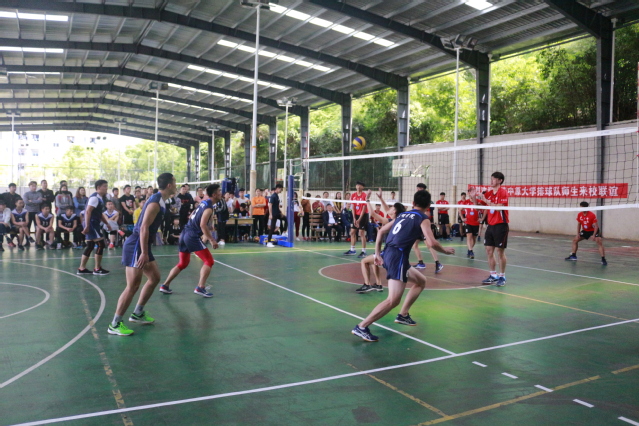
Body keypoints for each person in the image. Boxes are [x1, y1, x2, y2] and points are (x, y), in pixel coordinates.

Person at [352, 190, 455, 342]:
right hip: (397, 257)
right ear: (428, 206)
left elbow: (381, 231)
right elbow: (432, 242)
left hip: (390, 253)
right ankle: (362, 326)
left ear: (413, 203)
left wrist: (378, 254)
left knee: (421, 281)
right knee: (393, 300)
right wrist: (445, 251)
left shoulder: (402, 215)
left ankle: (403, 314)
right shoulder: (423, 218)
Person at [109, 173, 177, 336]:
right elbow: (144, 227)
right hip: (136, 245)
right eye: (174, 182)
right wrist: (144, 252)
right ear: (169, 185)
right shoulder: (155, 202)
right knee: (133, 286)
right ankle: (115, 324)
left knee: (154, 278)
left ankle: (138, 313)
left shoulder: (161, 200)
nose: (176, 185)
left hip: (142, 245)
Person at [160, 183, 222, 297]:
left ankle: (165, 285)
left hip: (185, 233)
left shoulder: (203, 203)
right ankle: (200, 287)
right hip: (192, 236)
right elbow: (203, 225)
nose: (221, 193)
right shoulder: (208, 208)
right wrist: (212, 240)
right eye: (219, 191)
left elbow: (192, 214)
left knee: (183, 263)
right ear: (214, 194)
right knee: (209, 261)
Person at [356, 191, 407, 294]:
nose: (389, 209)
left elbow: (373, 214)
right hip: (395, 252)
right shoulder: (398, 220)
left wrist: (367, 200)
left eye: (392, 208)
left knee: (364, 261)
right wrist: (381, 198)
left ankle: (367, 284)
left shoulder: (391, 222)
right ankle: (379, 285)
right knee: (374, 261)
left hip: (390, 253)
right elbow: (388, 210)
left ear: (395, 211)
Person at [471, 171, 509, 287]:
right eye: (491, 178)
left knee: (500, 251)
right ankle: (493, 275)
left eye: (494, 179)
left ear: (500, 181)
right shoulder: (489, 193)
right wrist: (473, 197)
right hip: (490, 225)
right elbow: (478, 206)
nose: (491, 181)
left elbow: (498, 208)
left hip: (501, 225)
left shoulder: (503, 192)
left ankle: (502, 276)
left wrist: (485, 199)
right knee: (489, 251)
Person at [77, 180, 112, 276]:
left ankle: (82, 268)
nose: (106, 188)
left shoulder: (100, 198)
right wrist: (87, 226)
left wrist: (107, 223)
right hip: (92, 224)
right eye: (105, 186)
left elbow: (99, 213)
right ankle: (97, 268)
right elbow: (88, 211)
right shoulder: (95, 198)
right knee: (101, 244)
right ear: (99, 187)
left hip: (93, 223)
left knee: (90, 245)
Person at [412, 183, 443, 273]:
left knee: (429, 244)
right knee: (415, 245)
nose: (417, 189)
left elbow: (427, 214)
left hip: (422, 225)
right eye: (417, 188)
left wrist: (423, 221)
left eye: (419, 188)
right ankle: (421, 263)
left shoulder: (425, 200)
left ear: (422, 189)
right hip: (418, 225)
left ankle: (438, 263)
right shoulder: (417, 199)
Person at [344, 181, 369, 258]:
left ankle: (364, 251)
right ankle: (352, 250)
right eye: (357, 185)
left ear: (363, 187)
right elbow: (353, 207)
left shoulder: (364, 195)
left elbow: (364, 208)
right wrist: (354, 218)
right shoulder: (353, 195)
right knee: (352, 232)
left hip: (363, 215)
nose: (358, 186)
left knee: (361, 233)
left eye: (360, 185)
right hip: (355, 215)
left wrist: (359, 219)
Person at [462, 188, 481, 259]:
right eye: (470, 192)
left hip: (476, 223)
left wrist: (482, 218)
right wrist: (462, 218)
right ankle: (471, 251)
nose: (471, 193)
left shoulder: (479, 201)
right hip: (468, 222)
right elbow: (459, 209)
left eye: (472, 192)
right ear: (468, 193)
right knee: (469, 236)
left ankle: (470, 249)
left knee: (474, 238)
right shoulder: (466, 202)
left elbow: (485, 208)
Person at [266, 184, 283, 248]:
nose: (281, 191)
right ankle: (268, 242)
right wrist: (270, 214)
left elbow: (277, 206)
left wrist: (280, 212)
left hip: (277, 213)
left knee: (285, 218)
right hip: (273, 214)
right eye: (281, 189)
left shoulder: (277, 196)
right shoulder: (273, 196)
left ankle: (284, 231)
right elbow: (270, 205)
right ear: (278, 188)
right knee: (272, 227)